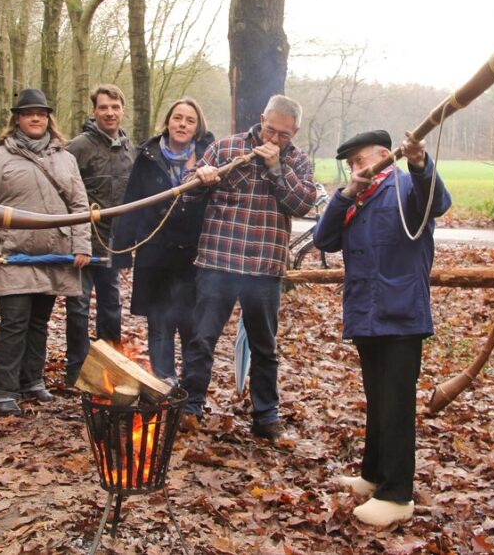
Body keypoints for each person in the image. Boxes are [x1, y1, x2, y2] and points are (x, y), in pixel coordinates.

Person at [313, 130, 452, 526]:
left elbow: (437, 201)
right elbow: (325, 240)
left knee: (396, 404)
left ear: (383, 156)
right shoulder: (357, 197)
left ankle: (396, 494)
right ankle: (373, 475)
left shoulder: (406, 185)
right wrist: (342, 196)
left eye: (361, 160)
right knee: (378, 399)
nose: (357, 167)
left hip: (400, 312)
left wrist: (420, 162)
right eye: (352, 163)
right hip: (366, 314)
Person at [179, 94, 316, 440]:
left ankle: (265, 416)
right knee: (202, 339)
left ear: (294, 132)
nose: (274, 139)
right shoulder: (227, 149)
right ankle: (189, 406)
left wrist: (276, 170)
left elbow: (302, 204)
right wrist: (202, 176)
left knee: (264, 347)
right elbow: (185, 192)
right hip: (218, 262)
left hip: (264, 268)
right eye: (271, 130)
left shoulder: (298, 162)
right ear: (262, 118)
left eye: (284, 135)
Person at [0, 88, 92, 417]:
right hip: (12, 256)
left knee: (39, 323)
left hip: (54, 256)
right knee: (14, 322)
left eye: (41, 113)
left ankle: (32, 382)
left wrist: (81, 245)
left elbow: (80, 206)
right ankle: (5, 390)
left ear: (48, 118)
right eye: (28, 114)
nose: (36, 118)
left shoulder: (64, 158)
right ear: (18, 119)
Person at [111, 99, 214, 384]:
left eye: (189, 120)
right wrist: (122, 252)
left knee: (193, 327)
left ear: (197, 127)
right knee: (159, 324)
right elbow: (132, 201)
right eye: (177, 118)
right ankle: (163, 383)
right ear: (167, 122)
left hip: (194, 257)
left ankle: (192, 392)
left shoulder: (210, 158)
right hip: (154, 253)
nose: (182, 124)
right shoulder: (148, 155)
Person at [63, 84, 134, 386]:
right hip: (82, 242)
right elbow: (61, 192)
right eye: (103, 107)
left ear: (122, 110)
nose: (109, 112)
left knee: (111, 307)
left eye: (115, 107)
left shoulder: (132, 149)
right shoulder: (77, 147)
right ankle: (77, 370)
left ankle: (110, 367)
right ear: (94, 111)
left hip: (115, 243)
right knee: (78, 307)